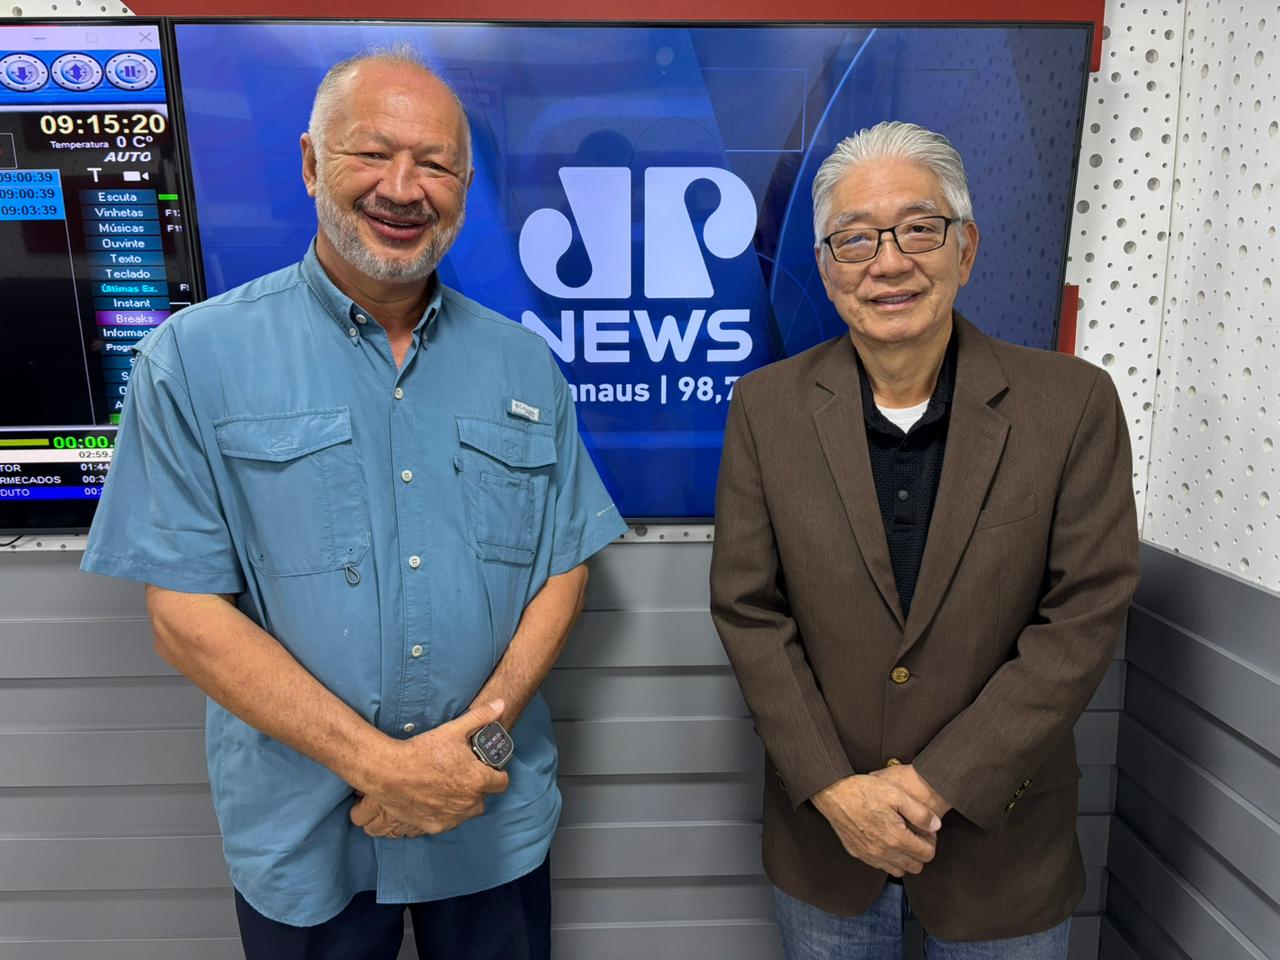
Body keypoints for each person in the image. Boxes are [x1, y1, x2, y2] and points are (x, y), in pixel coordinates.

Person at [81, 46, 625, 960]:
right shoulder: (193, 359)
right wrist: (387, 770)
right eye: (372, 153)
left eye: (436, 163)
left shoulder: (522, 364)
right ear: (309, 163)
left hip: (488, 817)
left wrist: (472, 751)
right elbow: (181, 612)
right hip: (306, 834)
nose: (404, 188)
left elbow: (562, 566)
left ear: (464, 183)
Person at [709, 121, 1139, 959]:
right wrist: (837, 791)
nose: (889, 261)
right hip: (827, 847)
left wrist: (936, 783)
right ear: (827, 270)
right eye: (855, 239)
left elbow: (1084, 616)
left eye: (918, 228)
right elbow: (747, 610)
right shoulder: (767, 409)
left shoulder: (1072, 405)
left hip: (1003, 850)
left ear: (965, 248)